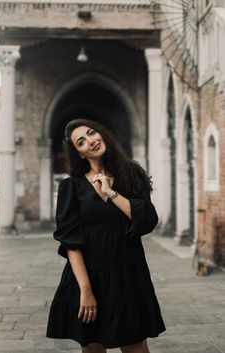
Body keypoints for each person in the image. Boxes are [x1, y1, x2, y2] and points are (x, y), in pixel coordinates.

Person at [46, 119, 166, 353]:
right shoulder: (71, 187)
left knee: (136, 348)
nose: (91, 141)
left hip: (128, 275)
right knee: (93, 348)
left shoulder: (131, 174)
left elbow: (147, 218)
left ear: (101, 134)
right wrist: (86, 290)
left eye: (92, 133)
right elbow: (71, 243)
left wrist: (110, 193)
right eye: (82, 141)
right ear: (78, 153)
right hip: (88, 277)